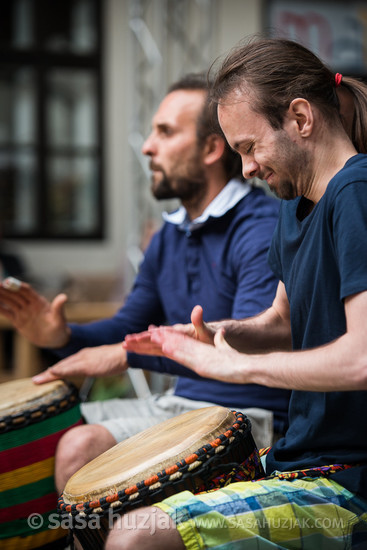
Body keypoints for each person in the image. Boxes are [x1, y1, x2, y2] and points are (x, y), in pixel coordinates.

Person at [115, 38, 367, 549]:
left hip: (349, 481)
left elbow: (362, 358)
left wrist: (236, 368)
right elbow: (283, 320)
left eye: (250, 148)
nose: (247, 169)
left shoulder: (357, 191)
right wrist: (222, 336)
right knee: (117, 506)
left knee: (135, 537)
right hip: (300, 461)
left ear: (300, 118)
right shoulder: (295, 205)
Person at [0, 73, 289, 494]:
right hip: (180, 408)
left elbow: (241, 344)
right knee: (41, 434)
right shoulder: (171, 235)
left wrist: (126, 355)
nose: (147, 146)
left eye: (165, 132)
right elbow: (126, 328)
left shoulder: (258, 227)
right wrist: (61, 334)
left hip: (247, 416)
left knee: (80, 446)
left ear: (210, 148)